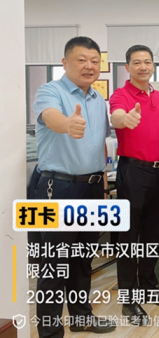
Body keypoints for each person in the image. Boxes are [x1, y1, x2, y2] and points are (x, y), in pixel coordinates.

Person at [32, 36, 115, 338]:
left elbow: (99, 147)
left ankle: (81, 317)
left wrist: (102, 188)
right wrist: (68, 124)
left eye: (94, 61)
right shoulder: (49, 91)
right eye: (81, 60)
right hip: (57, 188)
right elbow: (50, 117)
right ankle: (50, 333)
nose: (89, 66)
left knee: (82, 259)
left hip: (92, 189)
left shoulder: (99, 100)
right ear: (65, 62)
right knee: (54, 264)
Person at [109, 45, 159, 325]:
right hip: (133, 172)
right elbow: (116, 116)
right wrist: (124, 119)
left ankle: (148, 286)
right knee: (128, 238)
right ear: (127, 67)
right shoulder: (120, 95)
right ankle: (128, 299)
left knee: (152, 235)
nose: (143, 67)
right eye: (137, 62)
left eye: (147, 62)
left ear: (153, 66)